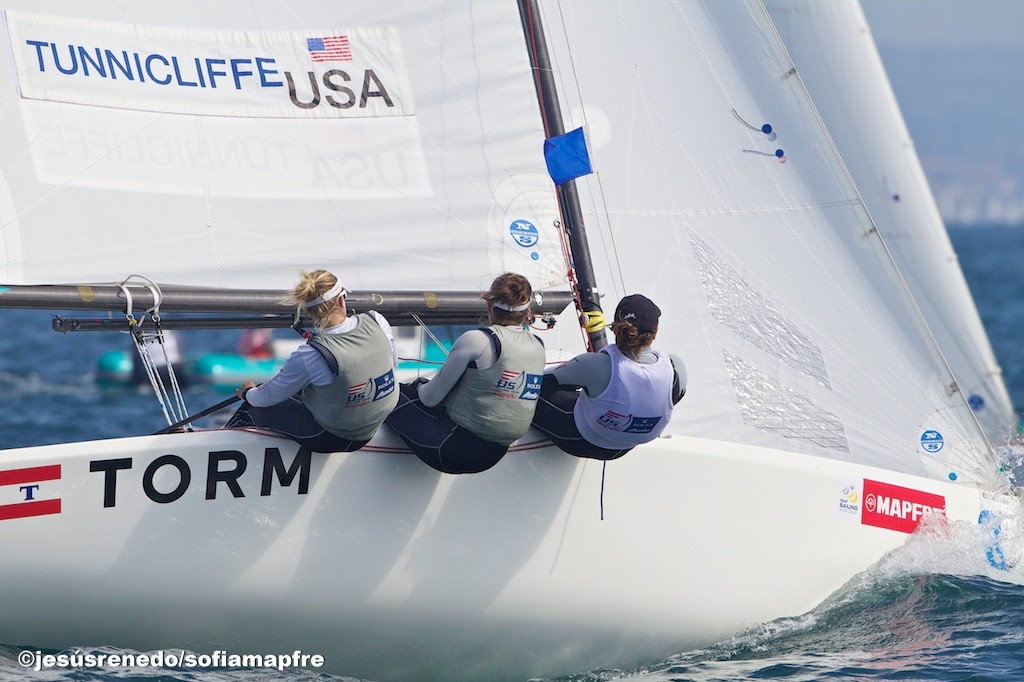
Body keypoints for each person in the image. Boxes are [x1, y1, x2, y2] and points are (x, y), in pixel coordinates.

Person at [384, 272, 546, 474]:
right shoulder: (538, 346)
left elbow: (429, 399)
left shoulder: (477, 340)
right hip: (495, 454)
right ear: (528, 309)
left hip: (451, 449)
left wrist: (416, 385)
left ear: (489, 304)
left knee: (386, 391)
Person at [225, 269, 398, 453]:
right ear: (341, 300)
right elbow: (392, 365)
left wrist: (248, 393)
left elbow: (265, 397)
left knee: (251, 408)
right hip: (377, 421)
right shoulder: (376, 320)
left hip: (331, 438)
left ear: (309, 311)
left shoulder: (311, 354)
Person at [530, 294, 686, 460]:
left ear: (616, 329)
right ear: (655, 332)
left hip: (577, 440)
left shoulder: (596, 365)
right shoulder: (675, 368)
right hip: (624, 449)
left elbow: (538, 384)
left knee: (532, 392)